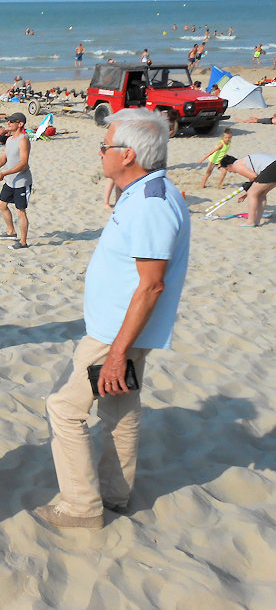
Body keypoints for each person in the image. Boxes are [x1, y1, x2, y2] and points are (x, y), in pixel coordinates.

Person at [37, 108, 190, 529]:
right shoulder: (142, 192)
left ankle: (81, 506)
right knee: (120, 410)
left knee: (65, 410)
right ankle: (115, 494)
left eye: (105, 145)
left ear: (128, 155)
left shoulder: (152, 203)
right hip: (119, 330)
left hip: (115, 335)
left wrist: (119, 351)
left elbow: (151, 285)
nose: (100, 151)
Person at [0, 112, 33, 250]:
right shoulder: (9, 140)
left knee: (20, 211)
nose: (8, 123)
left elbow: (23, 164)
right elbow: (3, 160)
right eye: (8, 121)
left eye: (11, 121)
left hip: (22, 182)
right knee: (2, 204)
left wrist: (4, 173)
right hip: (10, 181)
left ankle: (23, 242)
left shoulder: (23, 140)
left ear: (20, 124)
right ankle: (11, 232)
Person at [219, 154, 276, 227]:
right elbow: (255, 182)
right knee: (261, 194)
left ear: (229, 166)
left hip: (272, 168)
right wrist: (247, 193)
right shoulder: (243, 161)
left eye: (227, 169)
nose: (229, 172)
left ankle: (250, 222)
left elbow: (253, 177)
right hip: (272, 167)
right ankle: (257, 221)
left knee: (253, 194)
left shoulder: (236, 165)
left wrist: (248, 193)